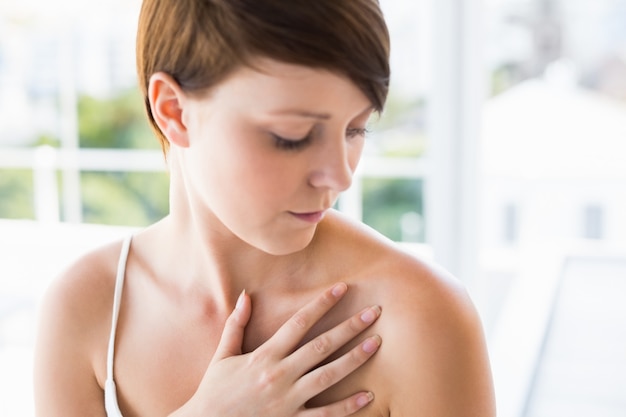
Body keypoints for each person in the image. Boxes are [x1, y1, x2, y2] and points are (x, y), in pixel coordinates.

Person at [34, 0, 496, 416]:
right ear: (173, 111)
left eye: (356, 130)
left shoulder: (420, 318)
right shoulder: (84, 310)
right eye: (291, 137)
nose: (339, 176)